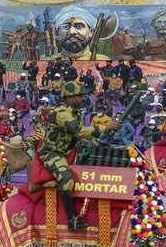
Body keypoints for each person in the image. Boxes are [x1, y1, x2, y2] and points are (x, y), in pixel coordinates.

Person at [39, 81, 121, 231]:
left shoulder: (75, 112)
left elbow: (82, 136)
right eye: (80, 96)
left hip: (69, 151)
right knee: (66, 179)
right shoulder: (62, 113)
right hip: (52, 153)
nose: (83, 98)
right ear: (69, 97)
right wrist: (107, 127)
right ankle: (72, 220)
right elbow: (80, 131)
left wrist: (97, 142)